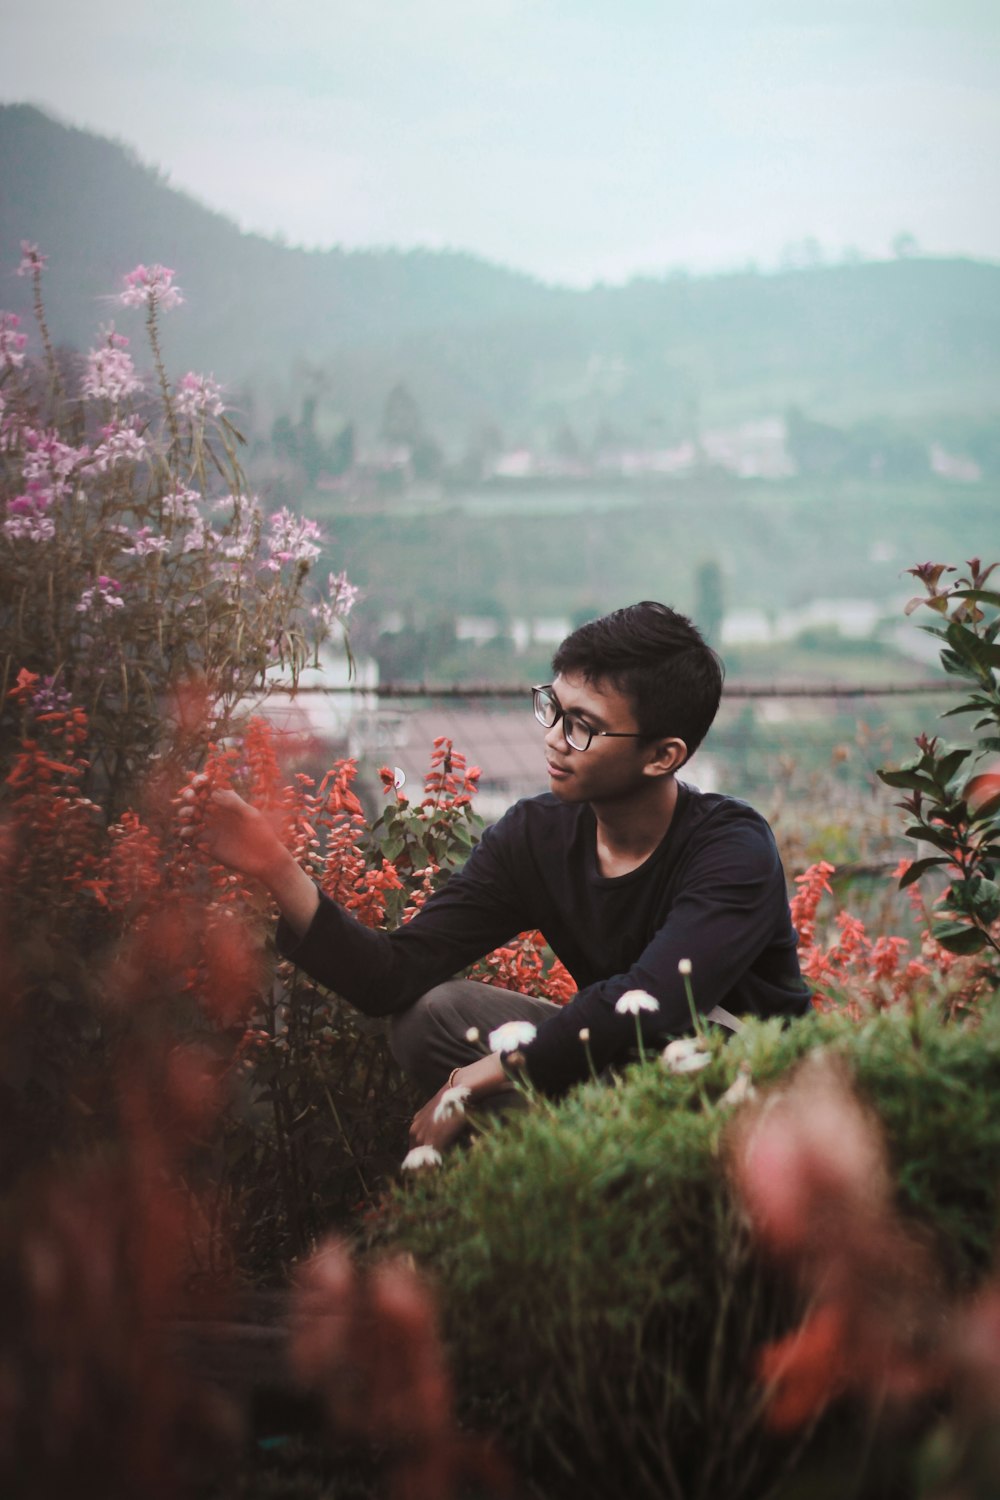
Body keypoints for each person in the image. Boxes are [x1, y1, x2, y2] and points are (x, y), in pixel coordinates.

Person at [192, 602, 809, 1154]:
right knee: (432, 1016)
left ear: (662, 755)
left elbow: (652, 999)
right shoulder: (537, 837)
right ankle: (575, 1165)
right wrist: (274, 865)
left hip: (741, 1084)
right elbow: (392, 974)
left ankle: (606, 1170)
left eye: (582, 726)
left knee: (590, 1048)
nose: (553, 739)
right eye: (553, 709)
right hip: (620, 1062)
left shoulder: (732, 849)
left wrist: (481, 1075)